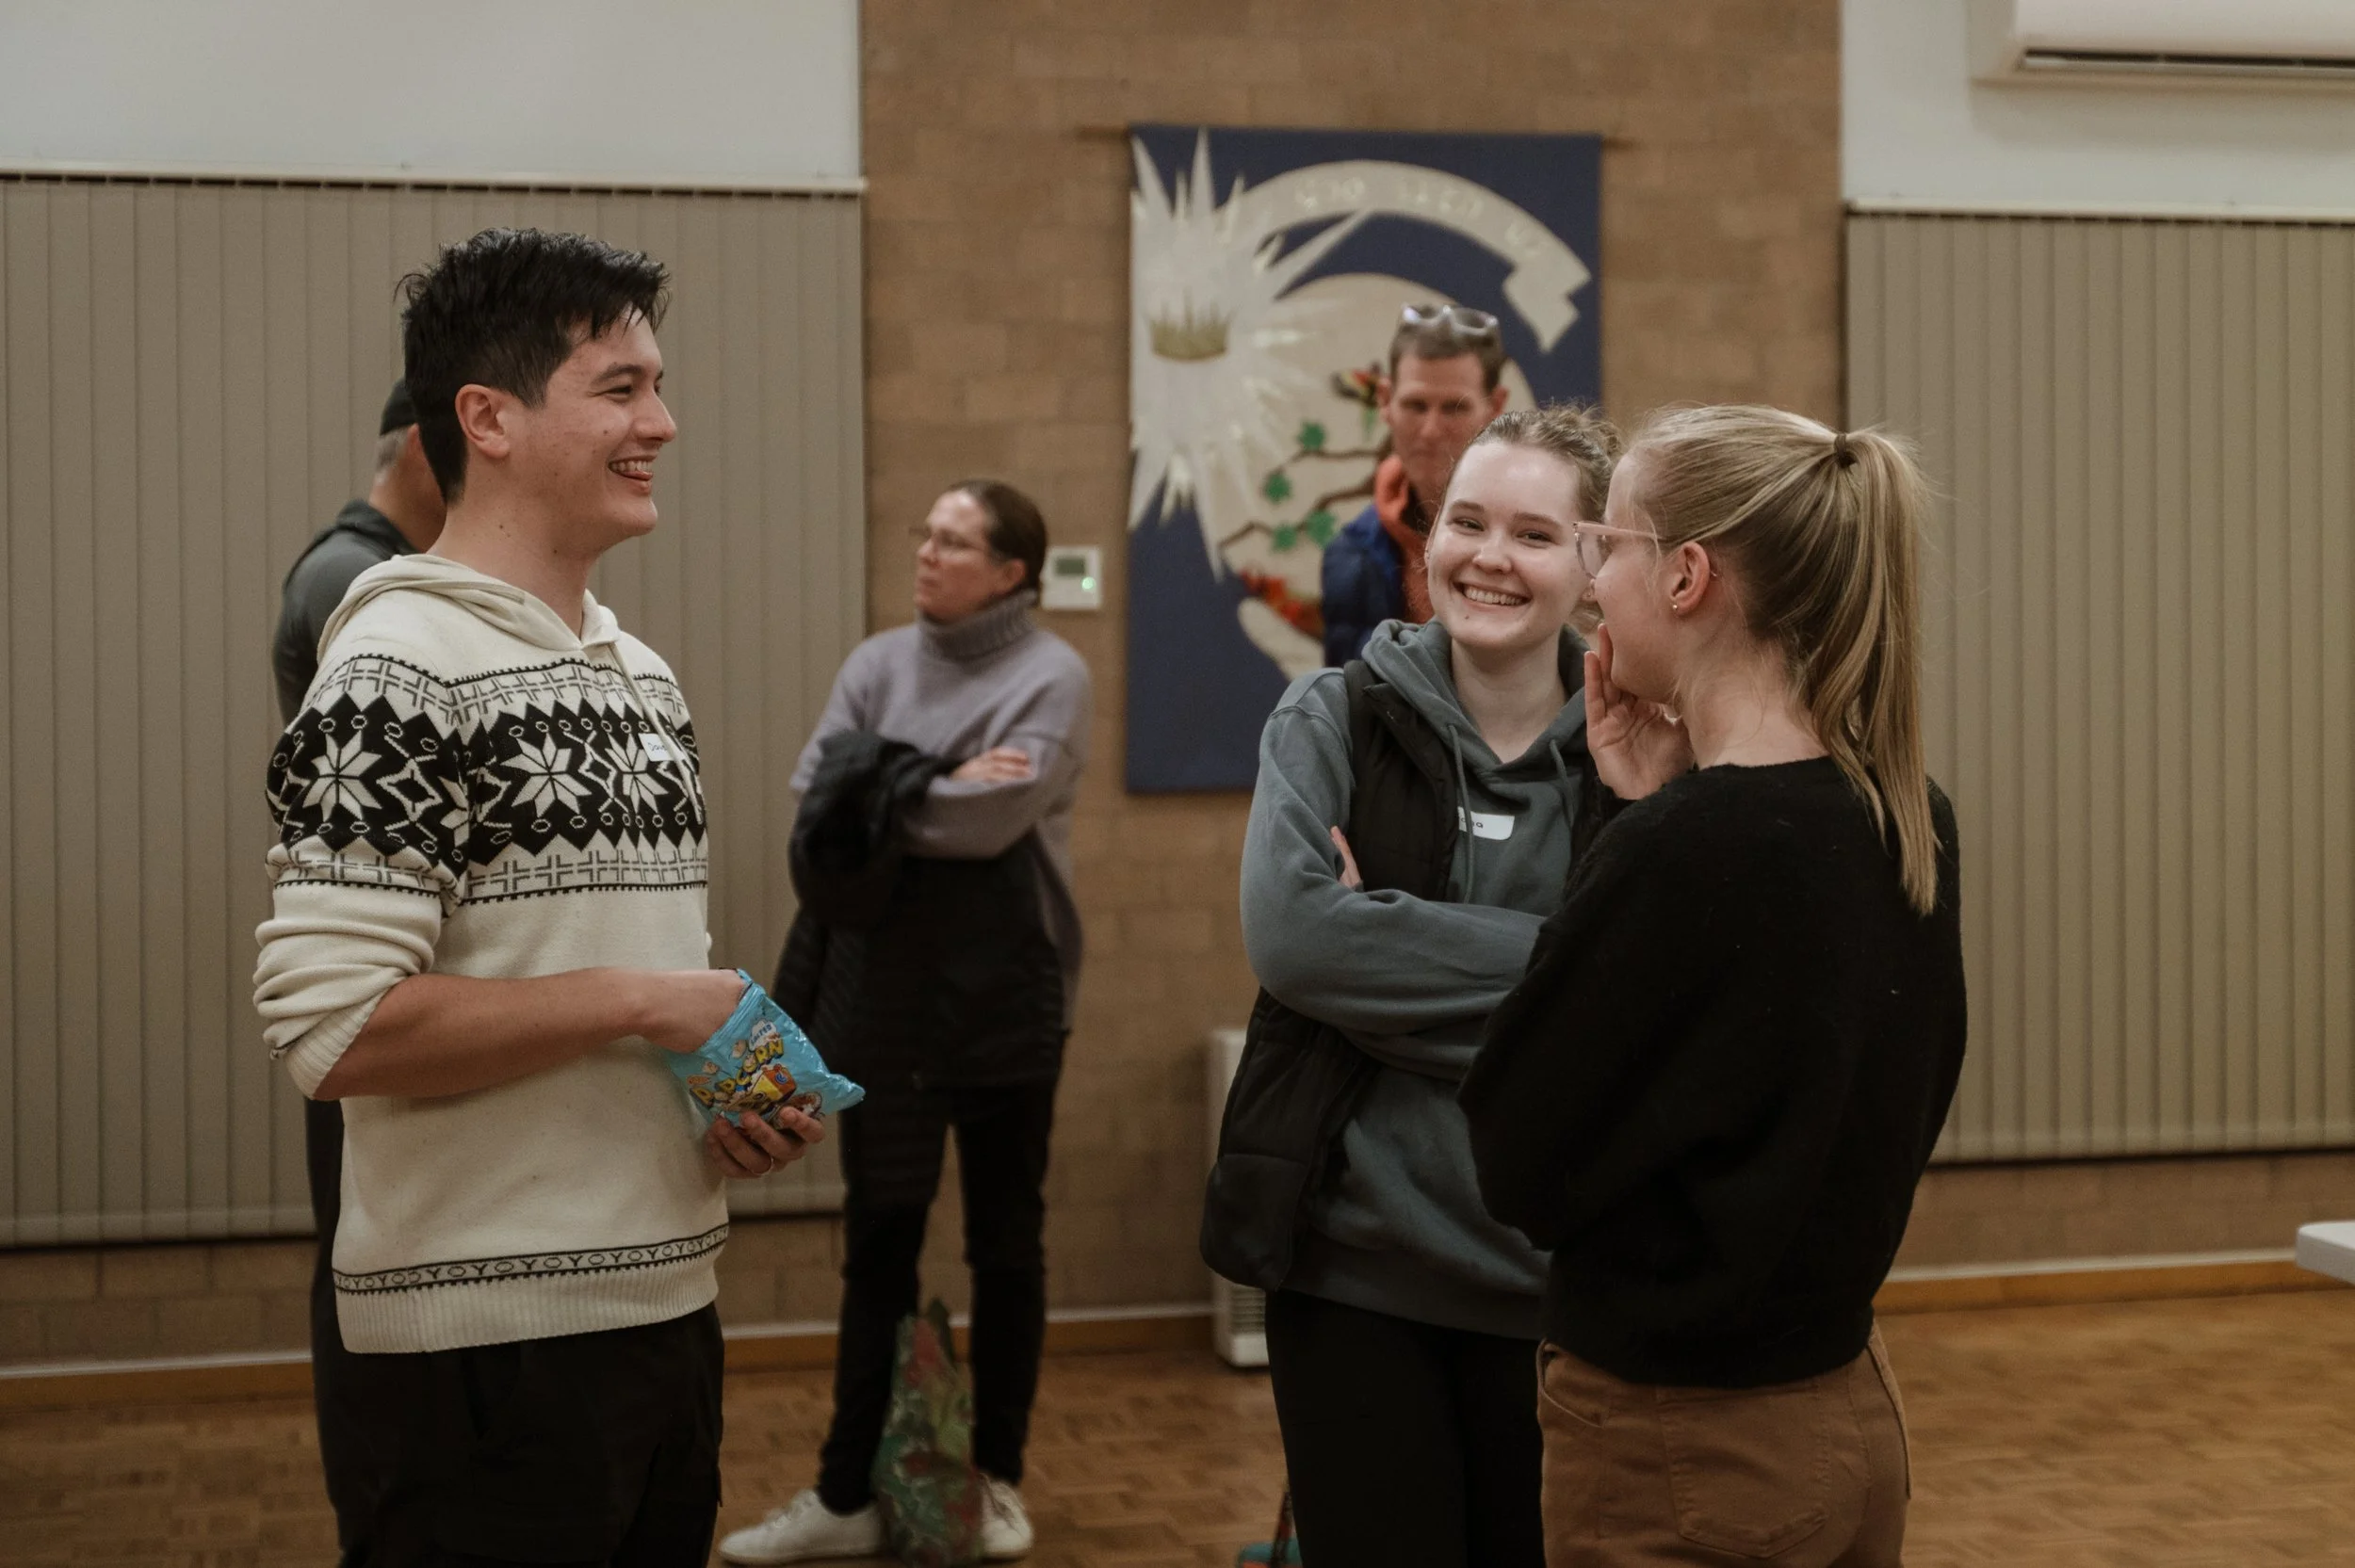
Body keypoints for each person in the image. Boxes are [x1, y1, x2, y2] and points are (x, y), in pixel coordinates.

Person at [253, 227, 817, 1568]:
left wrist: (727, 1092)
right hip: (482, 1361)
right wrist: (646, 1003)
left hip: (664, 1311)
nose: (662, 423)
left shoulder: (641, 674)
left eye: (658, 386)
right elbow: (336, 1030)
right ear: (487, 417)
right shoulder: (394, 664)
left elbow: (610, 971)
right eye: (618, 388)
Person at [1459, 407, 1968, 1567]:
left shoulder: (1691, 847)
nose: (1590, 585)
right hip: (1845, 1411)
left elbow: (1518, 1153)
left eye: (1606, 546)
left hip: (1683, 1443)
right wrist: (1638, 804)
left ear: (1687, 575)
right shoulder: (1901, 811)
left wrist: (1632, 828)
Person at [1210, 406, 1621, 1568]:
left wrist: (1383, 958)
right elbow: (1294, 946)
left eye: (1534, 534)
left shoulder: (1645, 749)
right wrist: (1563, 974)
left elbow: (1645, 1002)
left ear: (1594, 563)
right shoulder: (1327, 716)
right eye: (1467, 522)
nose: (1488, 556)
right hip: (1351, 1278)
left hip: (1556, 1292)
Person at [720, 480, 1091, 1566]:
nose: (925, 553)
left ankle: (999, 1481)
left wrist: (878, 787)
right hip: (882, 995)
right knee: (879, 1239)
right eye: (924, 534)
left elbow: (985, 826)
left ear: (1012, 571)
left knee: (1005, 1245)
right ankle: (842, 1495)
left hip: (1009, 999)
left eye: (954, 541)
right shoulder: (878, 662)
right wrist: (929, 776)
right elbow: (813, 800)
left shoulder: (1051, 674)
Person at [268, 377, 447, 1561]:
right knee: (367, 1296)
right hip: (378, 995)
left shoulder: (376, 576)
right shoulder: (359, 589)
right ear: (438, 445)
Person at [1319, 303, 1511, 665]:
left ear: (1495, 406)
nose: (1431, 431)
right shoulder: (1349, 557)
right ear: (1385, 402)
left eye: (1454, 408)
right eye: (1416, 406)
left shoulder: (1544, 541)